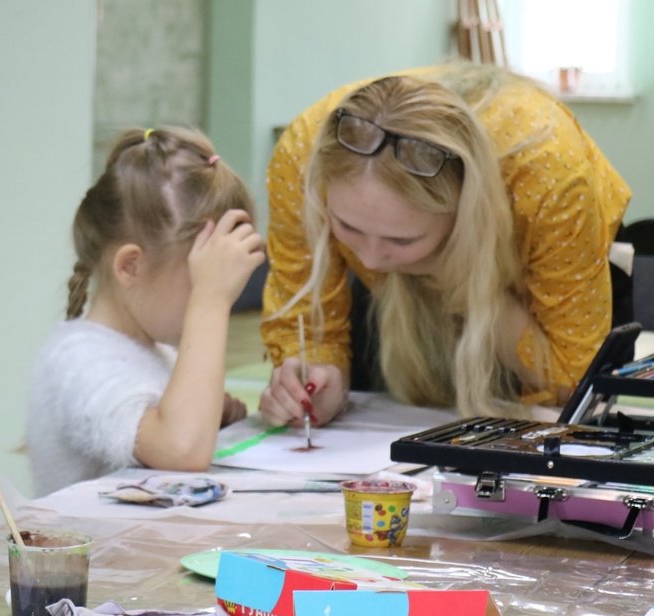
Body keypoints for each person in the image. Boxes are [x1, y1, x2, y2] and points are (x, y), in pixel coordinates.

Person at [259, 65, 632, 429]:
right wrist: (321, 375)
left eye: (401, 239)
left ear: (463, 215)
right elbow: (308, 326)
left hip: (537, 278)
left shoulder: (550, 178)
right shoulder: (303, 156)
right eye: (347, 227)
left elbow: (575, 381)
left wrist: (459, 277)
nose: (370, 260)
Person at [26, 127, 265, 496]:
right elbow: (180, 449)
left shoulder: (154, 350)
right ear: (131, 267)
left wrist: (216, 419)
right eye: (199, 281)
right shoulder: (77, 359)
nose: (224, 302)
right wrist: (210, 301)